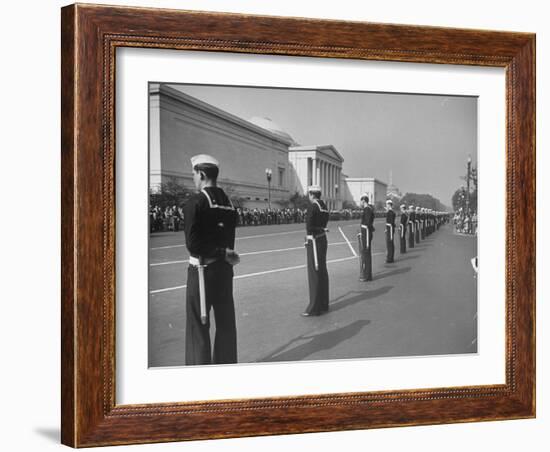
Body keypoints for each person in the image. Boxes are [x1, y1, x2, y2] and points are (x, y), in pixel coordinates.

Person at [184, 154, 240, 365]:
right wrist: (223, 254)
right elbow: (229, 241)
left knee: (198, 327)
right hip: (224, 272)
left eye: (194, 174)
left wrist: (218, 253)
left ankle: (199, 376)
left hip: (202, 271)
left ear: (202, 174)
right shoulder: (229, 203)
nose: (193, 178)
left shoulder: (196, 202)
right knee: (226, 325)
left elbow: (193, 244)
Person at [302, 185, 330, 316]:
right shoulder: (324, 206)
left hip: (314, 241)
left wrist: (309, 237)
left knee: (314, 273)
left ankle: (314, 307)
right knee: (322, 271)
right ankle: (324, 303)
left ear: (312, 194)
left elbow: (309, 226)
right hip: (322, 239)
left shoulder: (313, 206)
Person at [359, 194, 375, 281]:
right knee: (366, 253)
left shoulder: (367, 209)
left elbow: (368, 223)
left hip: (366, 232)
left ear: (363, 201)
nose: (360, 203)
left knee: (366, 254)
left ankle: (367, 275)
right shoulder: (368, 209)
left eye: (361, 201)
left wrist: (365, 230)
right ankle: (367, 274)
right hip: (365, 232)